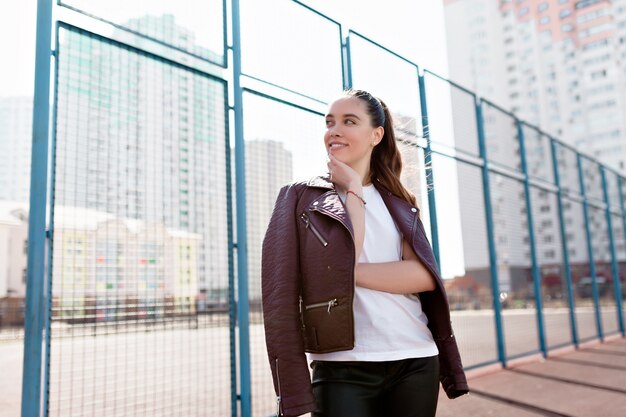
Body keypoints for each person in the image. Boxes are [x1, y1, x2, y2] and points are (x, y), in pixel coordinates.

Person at [261, 89, 468, 417]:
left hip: (414, 357)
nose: (334, 130)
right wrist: (354, 191)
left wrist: (343, 274)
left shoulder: (400, 202)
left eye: (349, 121)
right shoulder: (300, 198)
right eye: (330, 122)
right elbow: (278, 301)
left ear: (376, 135)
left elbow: (422, 277)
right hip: (342, 367)